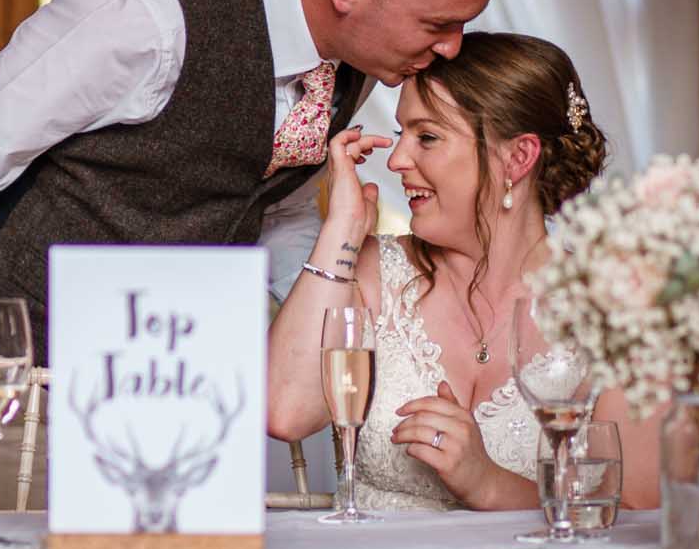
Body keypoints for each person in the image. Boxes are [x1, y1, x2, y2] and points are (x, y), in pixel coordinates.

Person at [0, 0, 508, 492]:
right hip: (31, 394)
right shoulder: (142, 16)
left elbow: (268, 199)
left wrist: (362, 316)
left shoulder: (354, 49)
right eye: (439, 22)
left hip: (190, 402)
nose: (451, 48)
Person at [264, 34, 655, 511]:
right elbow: (286, 411)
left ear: (518, 157)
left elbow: (636, 512)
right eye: (403, 134)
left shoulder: (616, 307)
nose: (396, 159)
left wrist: (487, 483)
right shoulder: (371, 271)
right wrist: (341, 229)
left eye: (426, 136)